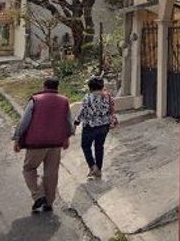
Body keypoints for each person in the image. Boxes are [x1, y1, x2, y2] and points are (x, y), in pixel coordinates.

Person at [11, 77, 74, 213]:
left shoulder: (35, 100)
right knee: (51, 173)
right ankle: (49, 203)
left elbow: (24, 121)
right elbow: (69, 122)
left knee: (29, 168)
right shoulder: (64, 101)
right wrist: (67, 138)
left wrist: (17, 138)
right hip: (56, 143)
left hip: (36, 143)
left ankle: (39, 195)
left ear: (44, 86)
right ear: (57, 87)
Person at [74, 76, 117, 179]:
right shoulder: (107, 96)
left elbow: (82, 112)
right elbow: (112, 108)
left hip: (90, 126)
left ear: (90, 87)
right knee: (99, 147)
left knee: (85, 146)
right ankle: (99, 169)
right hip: (104, 125)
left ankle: (92, 166)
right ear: (102, 86)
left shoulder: (88, 98)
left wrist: (76, 122)